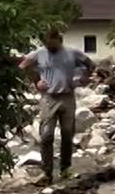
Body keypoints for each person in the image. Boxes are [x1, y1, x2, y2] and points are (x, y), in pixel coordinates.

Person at [19, 29, 93, 183]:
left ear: (60, 41)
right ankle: (47, 173)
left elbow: (90, 64)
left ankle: (65, 169)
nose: (50, 48)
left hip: (67, 97)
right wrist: (36, 81)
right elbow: (23, 65)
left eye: (52, 44)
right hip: (48, 98)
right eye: (47, 45)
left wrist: (81, 80)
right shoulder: (39, 53)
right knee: (46, 136)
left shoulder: (72, 53)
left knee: (67, 135)